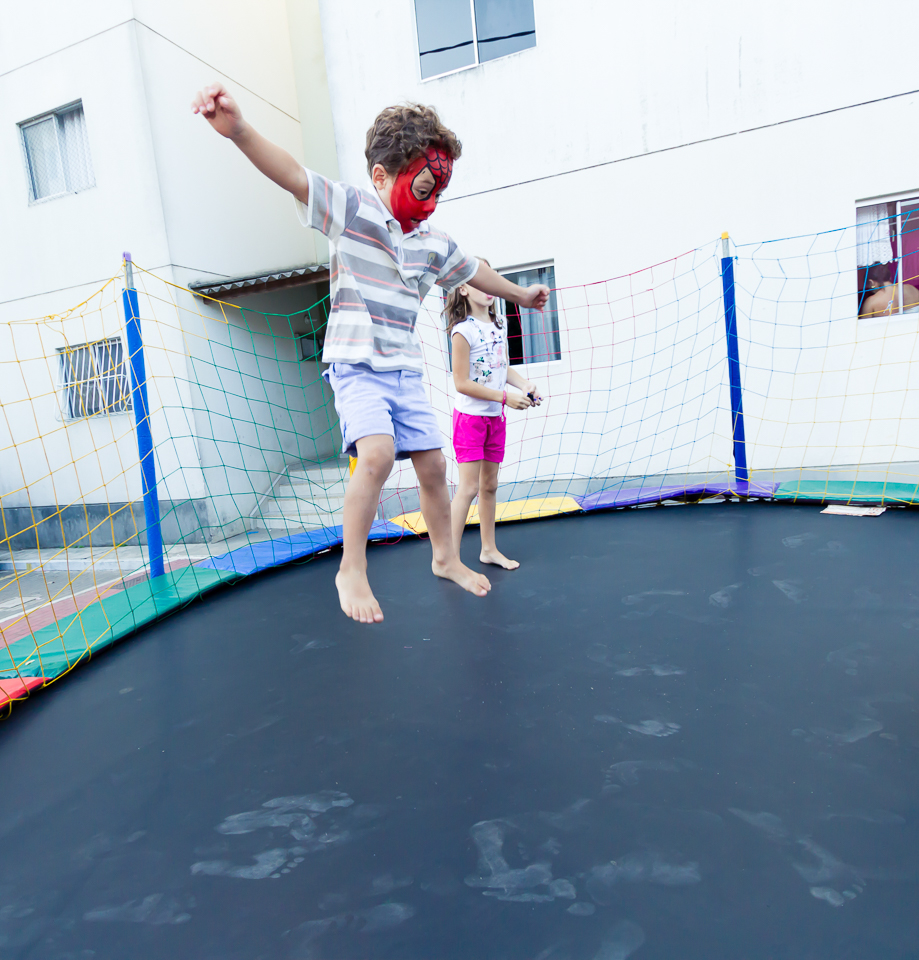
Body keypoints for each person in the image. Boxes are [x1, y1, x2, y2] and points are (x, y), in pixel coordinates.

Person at [191, 84, 550, 623]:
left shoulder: (432, 240)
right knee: (377, 455)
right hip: (355, 364)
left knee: (433, 465)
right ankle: (351, 568)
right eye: (422, 187)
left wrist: (521, 294)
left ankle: (446, 557)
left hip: (403, 368)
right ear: (381, 176)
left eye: (437, 192)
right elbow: (291, 174)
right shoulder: (353, 211)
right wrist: (239, 129)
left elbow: (476, 271)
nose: (429, 202)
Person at [446, 269, 542, 570]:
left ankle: (488, 549)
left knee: (489, 486)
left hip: (494, 419)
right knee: (468, 488)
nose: (488, 287)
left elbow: (502, 367)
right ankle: (447, 558)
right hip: (471, 420)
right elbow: (461, 382)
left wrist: (523, 385)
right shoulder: (463, 331)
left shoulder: (499, 326)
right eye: (478, 282)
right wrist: (504, 398)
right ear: (463, 289)